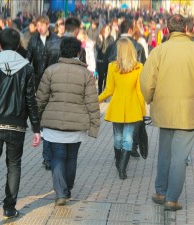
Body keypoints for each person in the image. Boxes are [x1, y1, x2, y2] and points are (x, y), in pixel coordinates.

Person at [140, 14, 194, 211]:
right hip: (190, 111)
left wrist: (150, 99)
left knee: (164, 153)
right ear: (186, 29)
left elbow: (146, 81)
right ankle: (172, 199)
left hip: (164, 109)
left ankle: (160, 192)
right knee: (180, 157)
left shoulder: (159, 51)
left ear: (167, 29)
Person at [0, 28, 41, 224]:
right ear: (17, 46)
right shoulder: (27, 68)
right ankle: (9, 208)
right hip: (17, 125)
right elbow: (31, 100)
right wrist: (36, 128)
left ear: (0, 44)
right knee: (13, 166)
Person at [36, 37, 100, 206]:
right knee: (72, 157)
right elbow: (92, 103)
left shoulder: (51, 71)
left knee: (57, 156)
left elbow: (41, 99)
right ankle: (67, 188)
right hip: (77, 125)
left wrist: (36, 121)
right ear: (79, 52)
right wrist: (94, 126)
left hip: (53, 124)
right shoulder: (86, 74)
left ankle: (60, 192)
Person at [99, 37, 146, 180]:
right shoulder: (138, 67)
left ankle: (118, 162)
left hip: (117, 106)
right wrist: (143, 111)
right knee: (128, 138)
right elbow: (139, 91)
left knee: (118, 137)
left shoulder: (112, 66)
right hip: (133, 107)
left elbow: (108, 90)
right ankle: (122, 169)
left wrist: (95, 100)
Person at [96, 25, 114, 94]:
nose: (109, 31)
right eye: (107, 29)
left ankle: (105, 92)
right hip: (100, 60)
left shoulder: (111, 38)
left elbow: (110, 48)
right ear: (104, 30)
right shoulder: (99, 37)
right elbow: (98, 49)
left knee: (107, 76)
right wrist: (102, 40)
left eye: (109, 29)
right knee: (100, 77)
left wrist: (105, 39)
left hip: (107, 60)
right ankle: (100, 90)